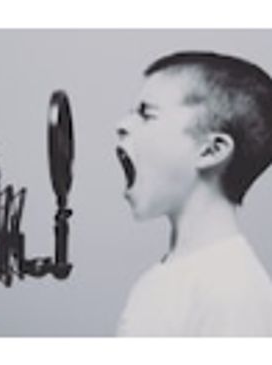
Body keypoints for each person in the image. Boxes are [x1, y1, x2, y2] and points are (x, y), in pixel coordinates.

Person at [115, 51, 272, 336]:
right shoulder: (166, 277)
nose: (122, 125)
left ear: (211, 150)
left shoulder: (233, 293)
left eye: (146, 115)